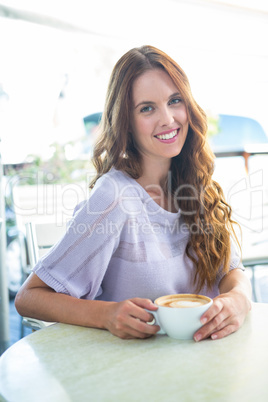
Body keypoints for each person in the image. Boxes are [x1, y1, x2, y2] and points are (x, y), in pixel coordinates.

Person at [15, 45, 252, 341]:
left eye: (175, 101)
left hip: (205, 367)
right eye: (147, 108)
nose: (167, 119)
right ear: (126, 121)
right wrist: (106, 315)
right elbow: (29, 297)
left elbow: (232, 272)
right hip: (134, 376)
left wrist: (238, 299)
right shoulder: (115, 197)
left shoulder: (196, 184)